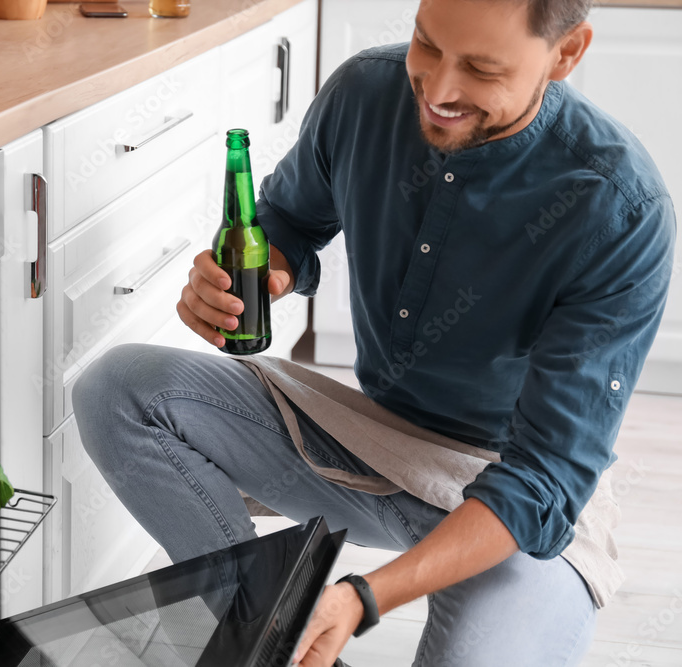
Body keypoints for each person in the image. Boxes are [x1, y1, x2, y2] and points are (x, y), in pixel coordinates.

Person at [72, 0, 676, 664]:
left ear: (566, 53)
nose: (439, 90)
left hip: (513, 490)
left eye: (479, 68)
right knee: (117, 388)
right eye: (426, 44)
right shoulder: (364, 93)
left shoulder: (620, 208)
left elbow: (545, 478)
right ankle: (269, 630)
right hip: (368, 440)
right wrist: (253, 275)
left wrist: (363, 595)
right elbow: (287, 225)